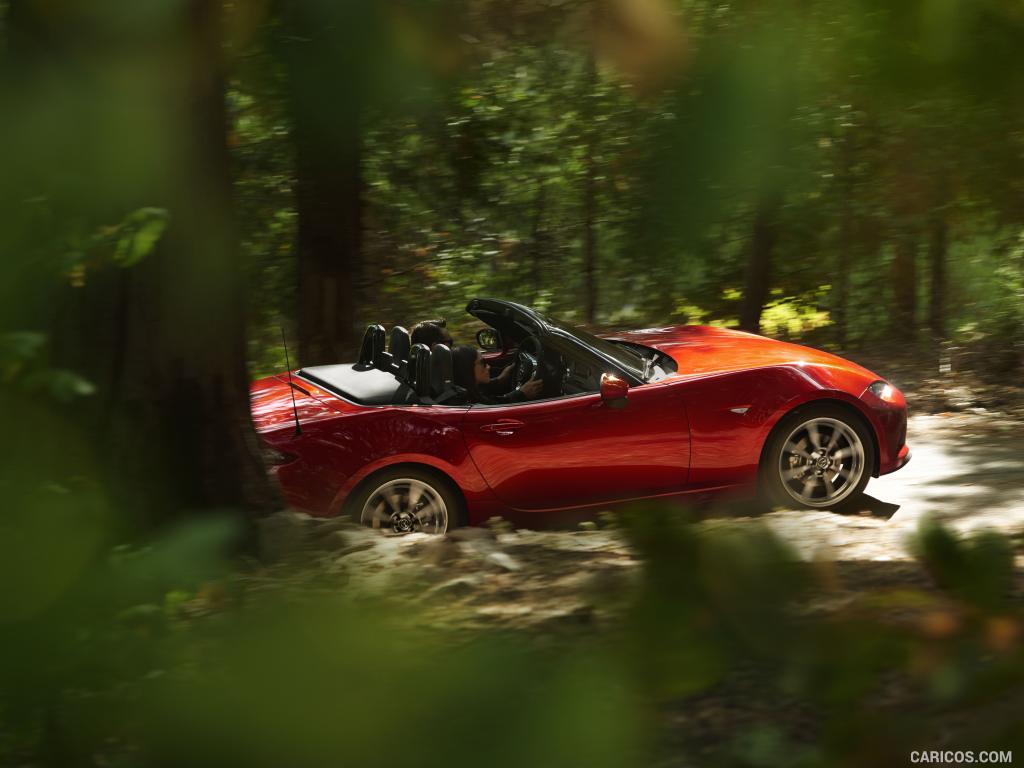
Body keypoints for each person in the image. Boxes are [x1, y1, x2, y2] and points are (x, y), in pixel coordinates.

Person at [451, 345, 543, 403]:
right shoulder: (469, 402)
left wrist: (500, 379)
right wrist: (522, 394)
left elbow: (485, 389)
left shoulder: (469, 391)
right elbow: (496, 405)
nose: (488, 367)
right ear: (467, 369)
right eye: (483, 363)